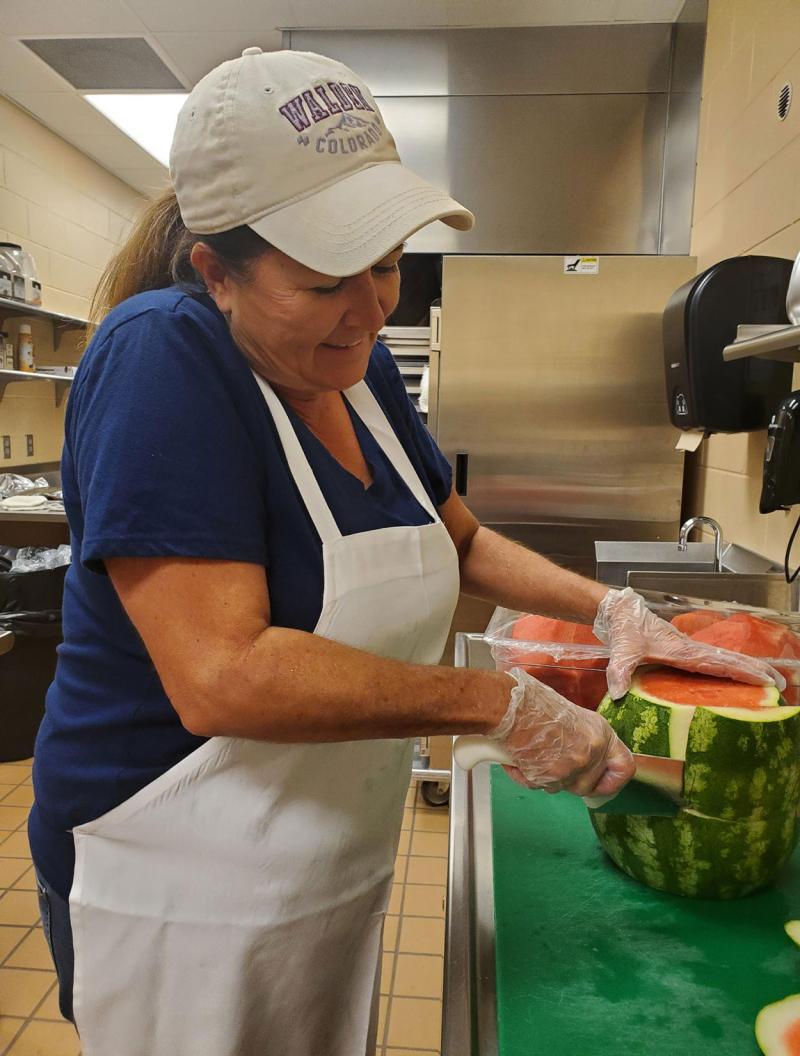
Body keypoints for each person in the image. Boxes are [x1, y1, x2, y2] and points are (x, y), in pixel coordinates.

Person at [28, 47, 782, 1056]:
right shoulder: (164, 357)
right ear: (216, 270)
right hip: (176, 870)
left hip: (322, 850)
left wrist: (610, 608)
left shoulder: (358, 364)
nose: (372, 306)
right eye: (327, 278)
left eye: (386, 263)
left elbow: (457, 538)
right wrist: (497, 703)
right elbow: (221, 675)